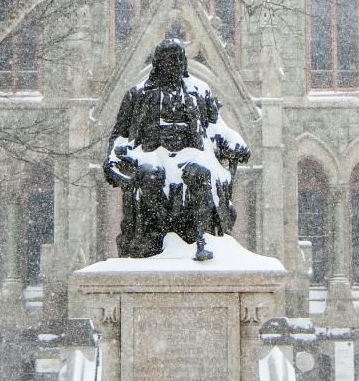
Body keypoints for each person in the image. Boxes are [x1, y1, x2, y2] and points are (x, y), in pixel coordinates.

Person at [102, 39, 249, 260]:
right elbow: (120, 134)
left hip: (189, 153)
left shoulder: (199, 91)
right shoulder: (138, 95)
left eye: (180, 60)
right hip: (151, 153)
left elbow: (216, 127)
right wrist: (113, 159)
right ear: (158, 64)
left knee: (199, 173)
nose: (176, 65)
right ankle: (158, 236)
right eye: (170, 60)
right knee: (151, 176)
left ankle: (200, 239)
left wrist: (235, 143)